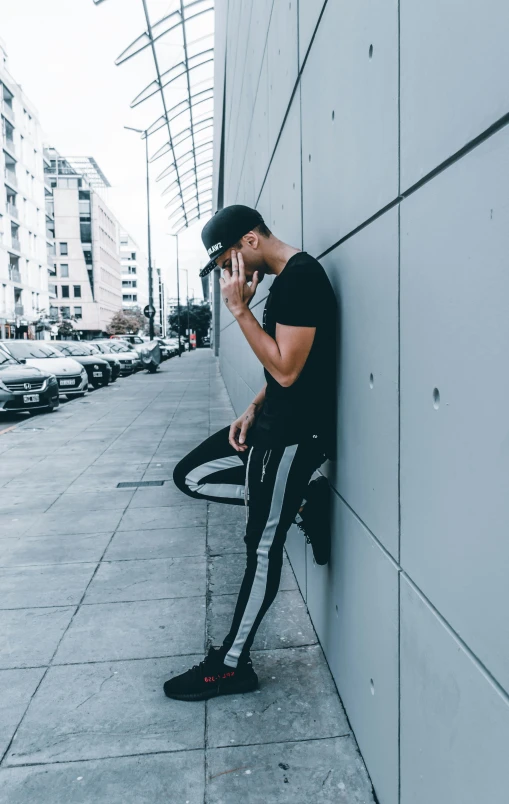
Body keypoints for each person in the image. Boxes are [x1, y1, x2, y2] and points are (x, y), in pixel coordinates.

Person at [164, 204, 337, 702]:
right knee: (192, 475)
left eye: (227, 262)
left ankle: (230, 667)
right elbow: (284, 373)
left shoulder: (302, 278)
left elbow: (288, 369)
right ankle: (300, 503)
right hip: (271, 425)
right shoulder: (284, 282)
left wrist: (238, 310)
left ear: (251, 242)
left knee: (260, 548)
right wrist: (252, 407)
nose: (227, 275)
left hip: (292, 439)